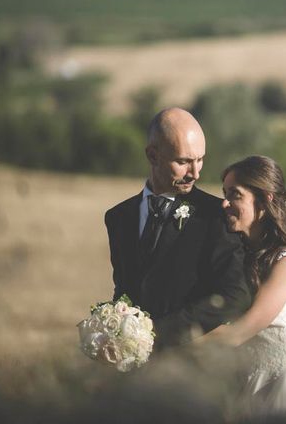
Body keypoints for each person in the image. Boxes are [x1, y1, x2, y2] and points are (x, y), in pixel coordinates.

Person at [201, 155, 286, 423]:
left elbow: (245, 327)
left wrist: (175, 347)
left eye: (235, 195)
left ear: (265, 201)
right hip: (250, 389)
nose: (224, 203)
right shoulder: (236, 259)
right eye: (224, 193)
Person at [104, 107, 251, 349]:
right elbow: (125, 290)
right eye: (183, 162)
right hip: (132, 368)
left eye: (200, 159)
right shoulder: (118, 217)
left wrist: (157, 333)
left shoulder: (216, 216)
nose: (195, 173)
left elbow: (235, 295)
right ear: (153, 156)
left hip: (190, 363)